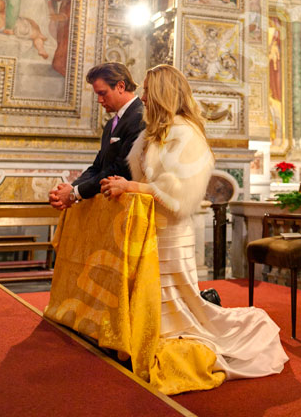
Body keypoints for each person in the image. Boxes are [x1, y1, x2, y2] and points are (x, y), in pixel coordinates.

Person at [101, 64, 288, 384]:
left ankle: (165, 338)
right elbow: (148, 180)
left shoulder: (185, 133)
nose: (143, 97)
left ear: (161, 93)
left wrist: (132, 187)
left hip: (172, 233)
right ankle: (142, 338)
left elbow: (179, 194)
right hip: (148, 231)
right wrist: (126, 183)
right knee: (149, 293)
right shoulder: (151, 133)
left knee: (176, 304)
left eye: (147, 90)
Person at [48, 61, 144, 209]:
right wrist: (71, 189)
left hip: (129, 207)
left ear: (120, 86)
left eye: (102, 93)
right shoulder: (111, 123)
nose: (99, 100)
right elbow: (98, 166)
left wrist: (74, 193)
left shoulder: (140, 117)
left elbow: (121, 168)